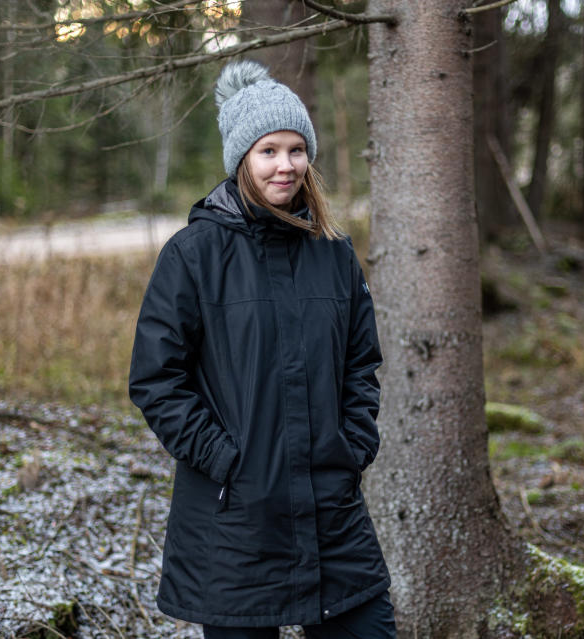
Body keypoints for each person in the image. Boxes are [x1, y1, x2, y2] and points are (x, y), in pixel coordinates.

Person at [128, 60, 396, 639]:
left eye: (296, 149)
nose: (286, 165)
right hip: (234, 523)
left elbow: (361, 363)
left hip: (331, 510)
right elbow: (156, 379)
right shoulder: (193, 255)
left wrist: (352, 445)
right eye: (268, 150)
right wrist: (228, 459)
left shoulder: (334, 253)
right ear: (241, 159)